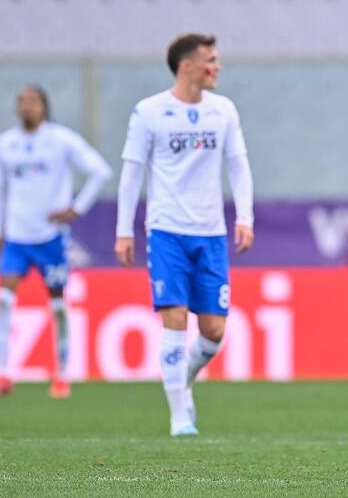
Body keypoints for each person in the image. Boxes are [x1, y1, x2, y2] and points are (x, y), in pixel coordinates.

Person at [115, 33, 255, 437]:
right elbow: (132, 172)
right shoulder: (149, 112)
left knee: (213, 332)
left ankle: (182, 379)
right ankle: (180, 415)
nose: (218, 66)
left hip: (209, 234)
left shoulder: (223, 111)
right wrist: (124, 231)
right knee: (174, 319)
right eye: (211, 59)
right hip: (166, 232)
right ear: (188, 66)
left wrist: (244, 217)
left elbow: (239, 166)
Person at [0, 85, 112, 398]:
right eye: (22, 102)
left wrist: (76, 209)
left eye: (33, 102)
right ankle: (2, 375)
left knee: (57, 306)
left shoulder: (61, 140)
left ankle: (62, 375)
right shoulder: (5, 144)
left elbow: (100, 172)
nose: (27, 107)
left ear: (44, 107)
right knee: (3, 299)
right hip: (16, 237)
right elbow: (1, 190)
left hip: (49, 238)